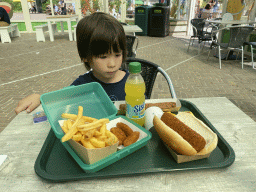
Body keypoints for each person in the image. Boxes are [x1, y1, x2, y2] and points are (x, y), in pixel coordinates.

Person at [15, 12, 128, 114]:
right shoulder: (81, 85)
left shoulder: (132, 82)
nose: (112, 64)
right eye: (103, 57)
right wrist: (39, 98)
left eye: (118, 54)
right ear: (85, 57)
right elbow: (59, 102)